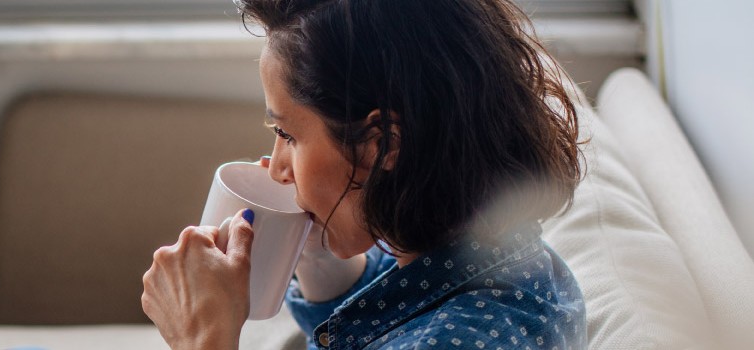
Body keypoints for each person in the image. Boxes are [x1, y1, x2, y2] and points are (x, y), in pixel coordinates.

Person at [140, 0, 587, 349]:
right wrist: (318, 261)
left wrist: (202, 337)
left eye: (287, 134)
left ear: (383, 144)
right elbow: (393, 314)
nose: (277, 168)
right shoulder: (491, 260)